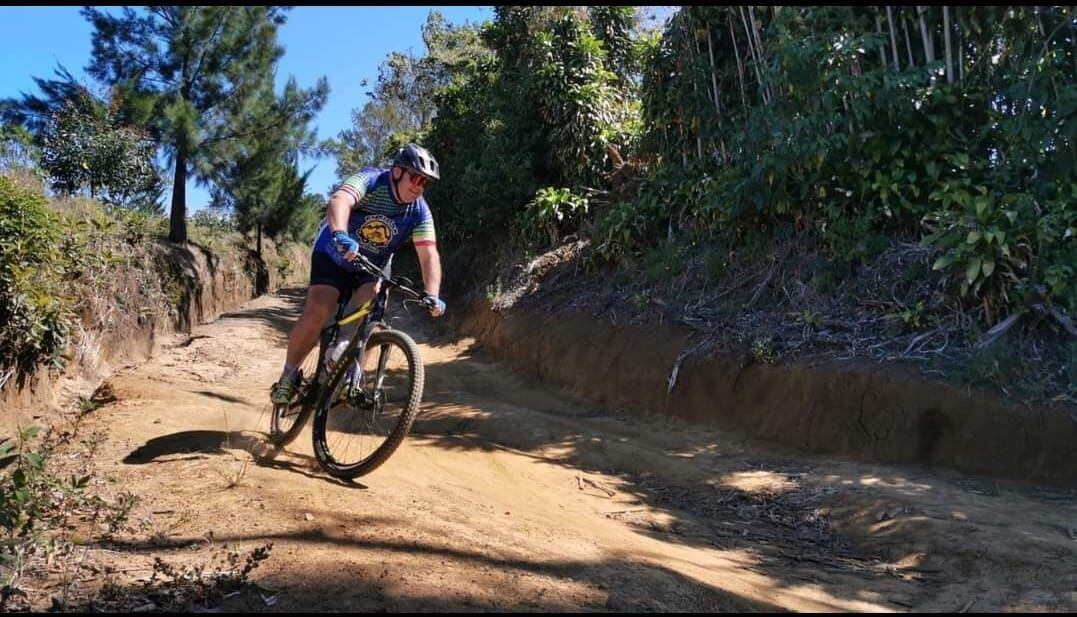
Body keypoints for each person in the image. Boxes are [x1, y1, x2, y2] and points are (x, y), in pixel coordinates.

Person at [270, 143, 446, 405]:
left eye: (426, 183)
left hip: (371, 264)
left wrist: (432, 293)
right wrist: (340, 234)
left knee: (371, 316)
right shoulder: (372, 180)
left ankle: (352, 377)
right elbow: (340, 200)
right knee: (320, 309)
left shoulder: (419, 210)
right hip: (333, 252)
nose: (420, 187)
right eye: (416, 178)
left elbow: (428, 253)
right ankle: (288, 377)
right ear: (398, 171)